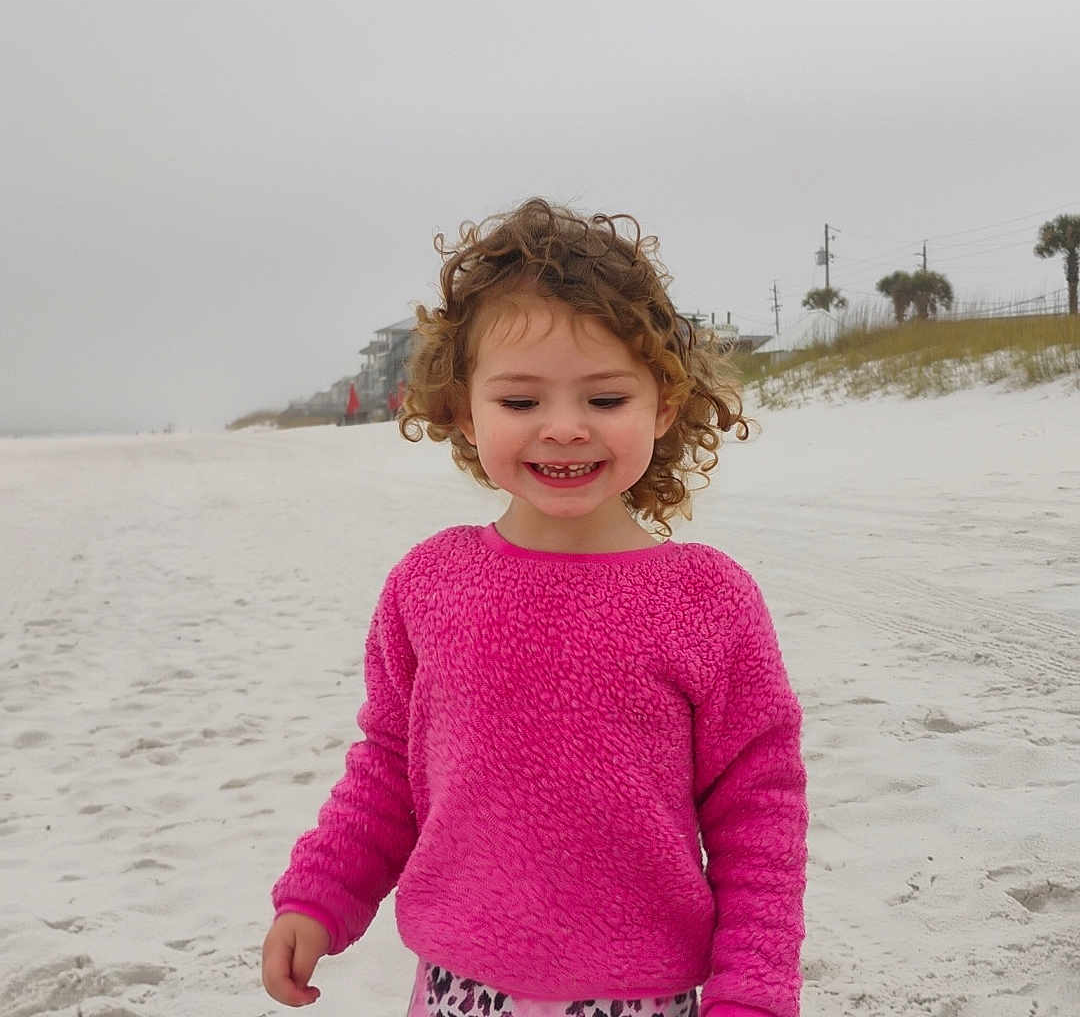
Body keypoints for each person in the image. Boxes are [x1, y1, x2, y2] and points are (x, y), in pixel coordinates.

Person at [261, 199, 809, 1017]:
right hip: (457, 991)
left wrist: (754, 989)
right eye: (520, 403)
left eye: (605, 400)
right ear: (462, 408)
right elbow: (388, 765)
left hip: (643, 997)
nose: (563, 428)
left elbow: (758, 811)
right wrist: (320, 892)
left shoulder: (708, 599)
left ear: (663, 404)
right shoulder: (429, 582)